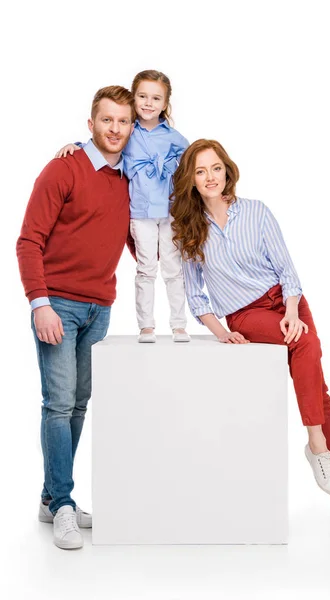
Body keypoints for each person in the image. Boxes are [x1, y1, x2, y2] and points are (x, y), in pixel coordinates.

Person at [170, 139, 330, 519]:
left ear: (227, 170)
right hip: (245, 313)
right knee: (306, 346)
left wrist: (291, 310)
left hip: (287, 302)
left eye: (215, 168)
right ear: (191, 179)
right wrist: (220, 332)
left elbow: (287, 270)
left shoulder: (256, 212)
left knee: (318, 385)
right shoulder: (189, 229)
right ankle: (316, 444)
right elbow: (195, 293)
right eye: (200, 171)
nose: (210, 177)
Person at [16, 85, 137, 550]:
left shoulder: (128, 178)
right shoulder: (63, 168)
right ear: (90, 125)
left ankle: (51, 497)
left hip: (99, 307)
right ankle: (64, 503)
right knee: (59, 403)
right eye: (107, 120)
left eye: (123, 122)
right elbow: (29, 241)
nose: (115, 129)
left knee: (79, 403)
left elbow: (133, 238)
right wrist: (39, 302)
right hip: (58, 304)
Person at [56, 70, 190, 343]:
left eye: (156, 98)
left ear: (165, 104)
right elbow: (105, 145)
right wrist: (77, 144)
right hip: (140, 213)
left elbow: (193, 161)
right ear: (134, 98)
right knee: (146, 268)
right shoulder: (129, 132)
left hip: (169, 212)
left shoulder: (174, 138)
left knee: (173, 268)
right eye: (142, 96)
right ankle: (147, 326)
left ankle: (178, 324)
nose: (148, 103)